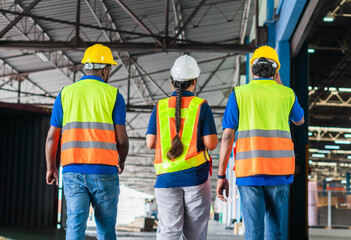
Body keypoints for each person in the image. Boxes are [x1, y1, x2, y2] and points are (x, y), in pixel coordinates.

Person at [216, 45, 305, 240]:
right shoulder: (287, 94)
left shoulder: (239, 94)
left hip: (250, 171)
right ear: (276, 71)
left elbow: (227, 136)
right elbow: (300, 120)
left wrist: (221, 175)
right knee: (275, 231)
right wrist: (280, 85)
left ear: (252, 69)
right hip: (280, 172)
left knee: (254, 233)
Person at [45, 44, 129, 240]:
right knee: (106, 230)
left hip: (72, 172)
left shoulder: (65, 93)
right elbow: (122, 140)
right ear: (105, 70)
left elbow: (52, 137)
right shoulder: (114, 96)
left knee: (75, 228)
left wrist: (51, 167)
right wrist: (121, 160)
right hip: (105, 172)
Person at [146, 55, 218, 240]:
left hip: (166, 179)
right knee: (194, 234)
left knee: (169, 232)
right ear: (194, 82)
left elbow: (150, 143)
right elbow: (211, 144)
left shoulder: (160, 107)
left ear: (172, 82)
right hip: (196, 178)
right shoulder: (201, 106)